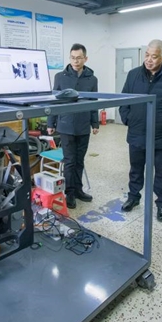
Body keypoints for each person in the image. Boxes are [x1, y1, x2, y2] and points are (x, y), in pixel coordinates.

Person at [119, 39, 162, 222]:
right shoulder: (133, 75)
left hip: (161, 136)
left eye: (154, 56)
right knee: (135, 169)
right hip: (137, 133)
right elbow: (124, 101)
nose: (149, 60)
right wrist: (128, 119)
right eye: (146, 55)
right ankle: (133, 197)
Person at [47, 43, 99, 209]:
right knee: (70, 161)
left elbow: (94, 102)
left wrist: (95, 123)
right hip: (66, 124)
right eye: (73, 58)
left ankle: (78, 190)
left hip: (83, 125)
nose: (76, 61)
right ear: (70, 58)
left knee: (79, 160)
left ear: (85, 59)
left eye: (79, 58)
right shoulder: (60, 77)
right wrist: (50, 123)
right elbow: (54, 101)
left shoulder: (92, 79)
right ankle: (69, 193)